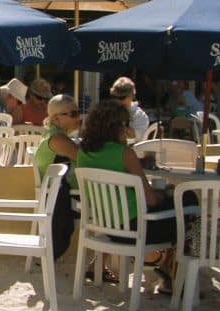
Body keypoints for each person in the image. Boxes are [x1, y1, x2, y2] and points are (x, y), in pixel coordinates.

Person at [77, 99, 177, 291]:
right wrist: (164, 196)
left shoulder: (83, 152)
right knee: (186, 207)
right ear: (117, 127)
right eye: (125, 125)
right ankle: (172, 272)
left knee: (176, 208)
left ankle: (164, 265)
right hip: (134, 229)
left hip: (105, 226)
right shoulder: (125, 153)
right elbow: (149, 200)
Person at [34, 94, 81, 262]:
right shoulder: (57, 139)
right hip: (58, 198)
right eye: (73, 114)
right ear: (56, 118)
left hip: (57, 196)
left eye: (79, 112)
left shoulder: (54, 136)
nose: (79, 117)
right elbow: (85, 159)